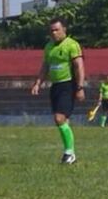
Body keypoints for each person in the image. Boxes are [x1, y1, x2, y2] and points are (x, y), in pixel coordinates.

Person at [30, 18, 84, 164]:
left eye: (56, 30)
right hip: (55, 86)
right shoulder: (49, 46)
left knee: (59, 118)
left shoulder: (72, 45)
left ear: (64, 29)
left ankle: (69, 153)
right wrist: (38, 83)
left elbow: (79, 66)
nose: (54, 33)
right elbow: (45, 66)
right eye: (51, 30)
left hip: (68, 85)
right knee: (63, 120)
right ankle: (70, 153)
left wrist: (79, 87)